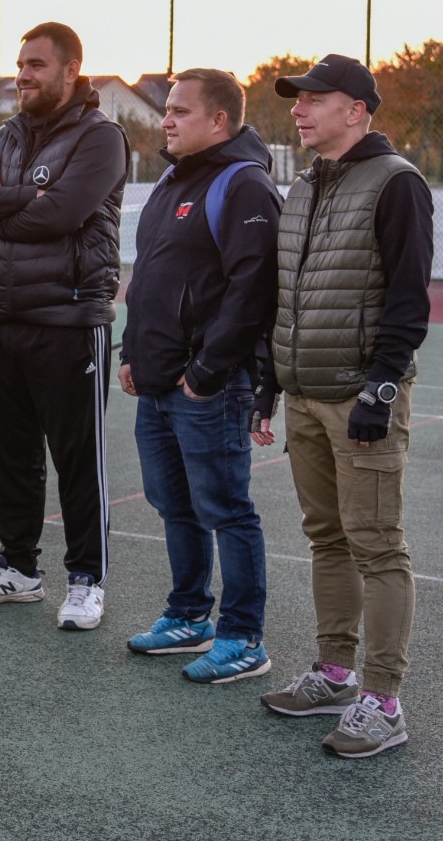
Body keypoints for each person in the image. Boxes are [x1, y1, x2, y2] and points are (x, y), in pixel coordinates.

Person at [253, 54, 433, 758]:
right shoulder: (304, 185)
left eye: (314, 99)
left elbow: (409, 298)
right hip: (304, 392)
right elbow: (286, 296)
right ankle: (334, 673)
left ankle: (383, 702)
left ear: (356, 110)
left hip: (360, 397)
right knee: (326, 539)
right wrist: (271, 383)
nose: (299, 109)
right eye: (297, 99)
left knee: (377, 545)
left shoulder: (396, 183)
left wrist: (380, 389)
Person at [0, 21, 127, 630]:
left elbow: (66, 213)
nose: (23, 74)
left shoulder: (101, 137)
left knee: (78, 459)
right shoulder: (9, 134)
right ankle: (17, 569)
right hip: (3, 314)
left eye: (36, 65)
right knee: (9, 452)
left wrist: (5, 205)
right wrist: (29, 199)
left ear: (70, 71)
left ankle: (86, 580)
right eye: (21, 63)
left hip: (71, 319)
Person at [118, 68, 280, 682]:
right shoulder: (172, 179)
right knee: (174, 503)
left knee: (226, 509)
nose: (166, 120)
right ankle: (189, 615)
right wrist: (132, 352)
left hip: (209, 387)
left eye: (180, 111)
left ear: (219, 120)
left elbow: (252, 291)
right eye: (167, 109)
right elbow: (149, 275)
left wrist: (207, 372)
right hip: (158, 383)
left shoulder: (244, 184)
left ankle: (243, 637)